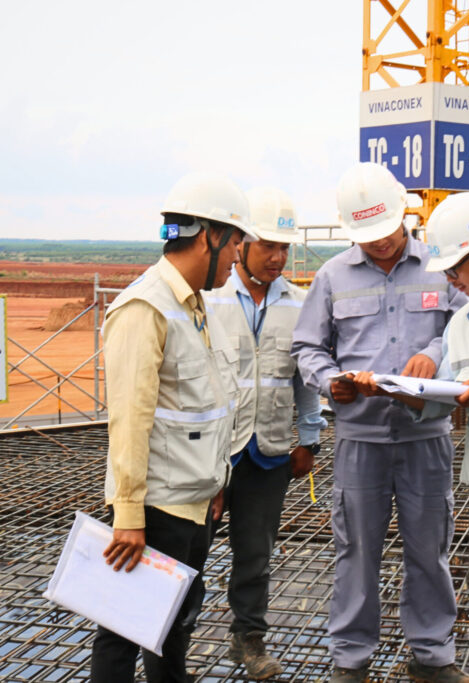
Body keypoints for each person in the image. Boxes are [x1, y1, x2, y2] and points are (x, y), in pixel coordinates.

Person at [290, 162, 469, 683]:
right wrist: (331, 381)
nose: (380, 242)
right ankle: (351, 661)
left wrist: (434, 354)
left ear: (403, 215)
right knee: (356, 552)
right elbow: (307, 347)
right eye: (368, 236)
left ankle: (432, 657)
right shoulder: (332, 277)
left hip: (425, 437)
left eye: (386, 231)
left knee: (429, 550)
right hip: (360, 440)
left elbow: (468, 325)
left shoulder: (440, 267)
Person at [91, 173, 256, 683]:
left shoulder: (196, 306)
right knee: (123, 634)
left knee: (174, 628)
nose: (238, 257)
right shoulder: (146, 308)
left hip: (194, 505)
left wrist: (217, 483)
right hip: (154, 511)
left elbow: (206, 408)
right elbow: (129, 422)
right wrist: (128, 516)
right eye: (236, 243)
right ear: (209, 236)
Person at [356, 191, 469, 683]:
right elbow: (442, 397)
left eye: (455, 269)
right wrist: (395, 391)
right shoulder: (462, 324)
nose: (451, 281)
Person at [205, 187, 327, 679]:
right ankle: (171, 640)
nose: (278, 257)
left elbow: (305, 380)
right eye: (268, 246)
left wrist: (310, 439)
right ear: (242, 244)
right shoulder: (210, 300)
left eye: (284, 248)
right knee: (190, 549)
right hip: (211, 453)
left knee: (255, 555)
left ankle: (249, 640)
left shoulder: (300, 305)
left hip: (269, 453)